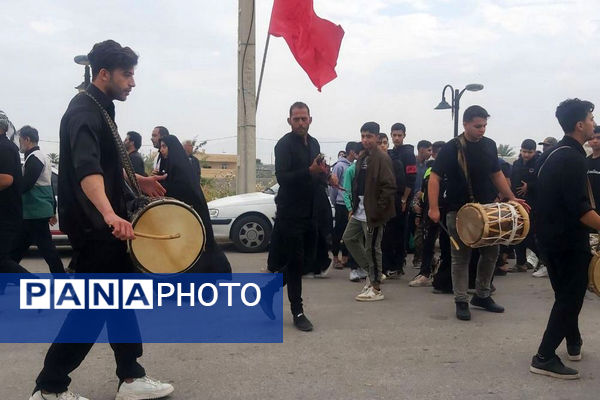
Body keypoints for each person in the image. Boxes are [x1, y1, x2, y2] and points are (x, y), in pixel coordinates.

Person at [30, 40, 173, 400]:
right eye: (127, 75)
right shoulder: (84, 111)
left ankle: (130, 376)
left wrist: (134, 179)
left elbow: (106, 166)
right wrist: (109, 214)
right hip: (97, 229)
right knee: (91, 311)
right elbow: (86, 170)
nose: (132, 83)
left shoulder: (100, 108)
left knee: (121, 301)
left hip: (105, 227)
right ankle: (49, 387)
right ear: (104, 73)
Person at [428, 105, 525, 321]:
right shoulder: (452, 147)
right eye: (478, 126)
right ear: (465, 124)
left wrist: (510, 197)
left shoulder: (489, 145)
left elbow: (496, 173)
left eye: (484, 125)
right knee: (460, 257)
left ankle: (482, 295)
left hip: (488, 210)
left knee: (492, 253)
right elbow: (434, 177)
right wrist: (433, 208)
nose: (482, 130)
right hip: (459, 211)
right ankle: (461, 300)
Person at [530, 99, 599, 379]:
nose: (594, 122)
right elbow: (581, 211)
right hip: (566, 241)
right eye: (592, 118)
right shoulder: (572, 158)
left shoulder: (554, 153)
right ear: (580, 124)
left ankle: (573, 342)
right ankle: (544, 356)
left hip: (548, 237)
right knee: (570, 298)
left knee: (565, 295)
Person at [265, 101, 336, 331]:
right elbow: (283, 178)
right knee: (296, 263)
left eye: (304, 118)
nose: (300, 122)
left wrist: (328, 176)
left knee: (312, 260)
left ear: (310, 119)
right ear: (289, 121)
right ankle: (298, 311)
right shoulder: (283, 145)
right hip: (291, 213)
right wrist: (309, 172)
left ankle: (269, 289)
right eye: (296, 119)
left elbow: (319, 169)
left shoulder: (314, 143)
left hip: (313, 211)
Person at [158, 135, 231, 274]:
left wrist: (163, 186)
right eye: (161, 147)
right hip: (182, 215)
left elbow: (182, 189)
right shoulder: (169, 164)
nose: (161, 150)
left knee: (199, 248)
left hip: (193, 213)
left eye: (164, 146)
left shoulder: (180, 166)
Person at [342, 122, 396, 301]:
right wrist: (354, 205)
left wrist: (379, 210)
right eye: (363, 136)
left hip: (374, 211)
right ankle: (374, 274)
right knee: (349, 238)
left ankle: (376, 287)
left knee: (372, 247)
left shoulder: (382, 158)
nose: (365, 140)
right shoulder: (363, 157)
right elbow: (358, 183)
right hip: (360, 209)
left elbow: (389, 187)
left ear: (377, 137)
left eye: (369, 136)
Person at [10, 125, 64, 274]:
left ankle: (62, 281)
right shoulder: (41, 156)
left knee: (47, 250)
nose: (19, 143)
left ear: (27, 140)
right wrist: (52, 209)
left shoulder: (35, 157)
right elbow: (50, 186)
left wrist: (11, 195)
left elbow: (26, 184)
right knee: (17, 249)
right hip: (34, 211)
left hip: (35, 211)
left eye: (20, 140)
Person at [0, 111, 31, 290]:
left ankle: (37, 286)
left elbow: (6, 179)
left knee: (2, 261)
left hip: (6, 216)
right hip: (6, 214)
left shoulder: (4, 148)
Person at [384, 123, 416, 277]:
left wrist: (404, 199)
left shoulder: (408, 154)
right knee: (389, 232)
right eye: (394, 135)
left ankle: (398, 264)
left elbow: (411, 178)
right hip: (390, 198)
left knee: (399, 232)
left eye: (399, 135)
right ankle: (390, 264)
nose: (396, 138)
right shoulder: (391, 152)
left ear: (404, 135)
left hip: (401, 199)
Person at [509, 139, 540, 273]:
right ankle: (520, 263)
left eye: (529, 152)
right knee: (517, 233)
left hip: (532, 204)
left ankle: (545, 260)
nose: (526, 155)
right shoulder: (516, 163)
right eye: (524, 151)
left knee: (529, 235)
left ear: (534, 151)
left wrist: (530, 186)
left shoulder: (539, 163)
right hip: (516, 202)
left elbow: (544, 181)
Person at [329, 141, 359, 271]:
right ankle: (336, 258)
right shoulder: (340, 166)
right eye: (357, 151)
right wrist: (334, 201)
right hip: (341, 204)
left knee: (349, 233)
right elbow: (333, 186)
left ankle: (346, 258)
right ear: (351, 152)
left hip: (351, 204)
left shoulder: (354, 166)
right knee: (339, 232)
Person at [411, 140, 433, 269]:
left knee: (420, 231)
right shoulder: (412, 164)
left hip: (423, 202)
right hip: (410, 201)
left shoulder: (427, 166)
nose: (431, 153)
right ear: (421, 149)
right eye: (429, 150)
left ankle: (418, 258)